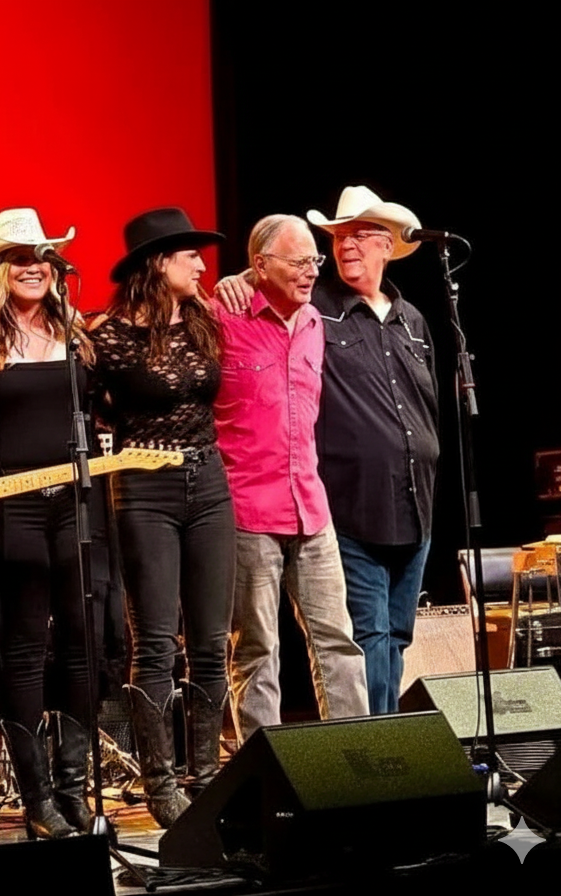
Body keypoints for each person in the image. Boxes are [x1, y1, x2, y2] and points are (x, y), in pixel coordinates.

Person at [218, 187, 438, 714]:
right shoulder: (281, 312)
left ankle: (370, 753)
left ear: (387, 245)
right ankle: (292, 768)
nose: (335, 254)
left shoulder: (391, 322)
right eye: (333, 240)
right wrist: (239, 279)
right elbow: (266, 284)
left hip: (363, 506)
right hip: (295, 508)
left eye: (358, 236)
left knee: (367, 639)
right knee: (289, 645)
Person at [0, 208, 108, 838]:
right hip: (9, 502)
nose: (33, 264)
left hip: (76, 501)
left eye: (42, 254)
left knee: (83, 640)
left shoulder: (79, 335)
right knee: (23, 647)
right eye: (18, 256)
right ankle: (36, 795)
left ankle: (73, 786)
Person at [90, 207, 236, 827]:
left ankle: (204, 775)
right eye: (190, 256)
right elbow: (92, 411)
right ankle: (159, 784)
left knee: (208, 642)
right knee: (153, 642)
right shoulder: (109, 336)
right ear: (159, 264)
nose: (202, 265)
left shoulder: (204, 320)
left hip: (209, 482)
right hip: (143, 486)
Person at [213, 215, 368, 744]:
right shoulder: (222, 317)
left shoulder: (314, 324)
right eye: (298, 262)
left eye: (314, 262)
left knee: (338, 639)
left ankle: (358, 756)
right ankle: (268, 771)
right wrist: (230, 281)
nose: (310, 273)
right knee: (256, 647)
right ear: (260, 266)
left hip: (310, 504)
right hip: (247, 508)